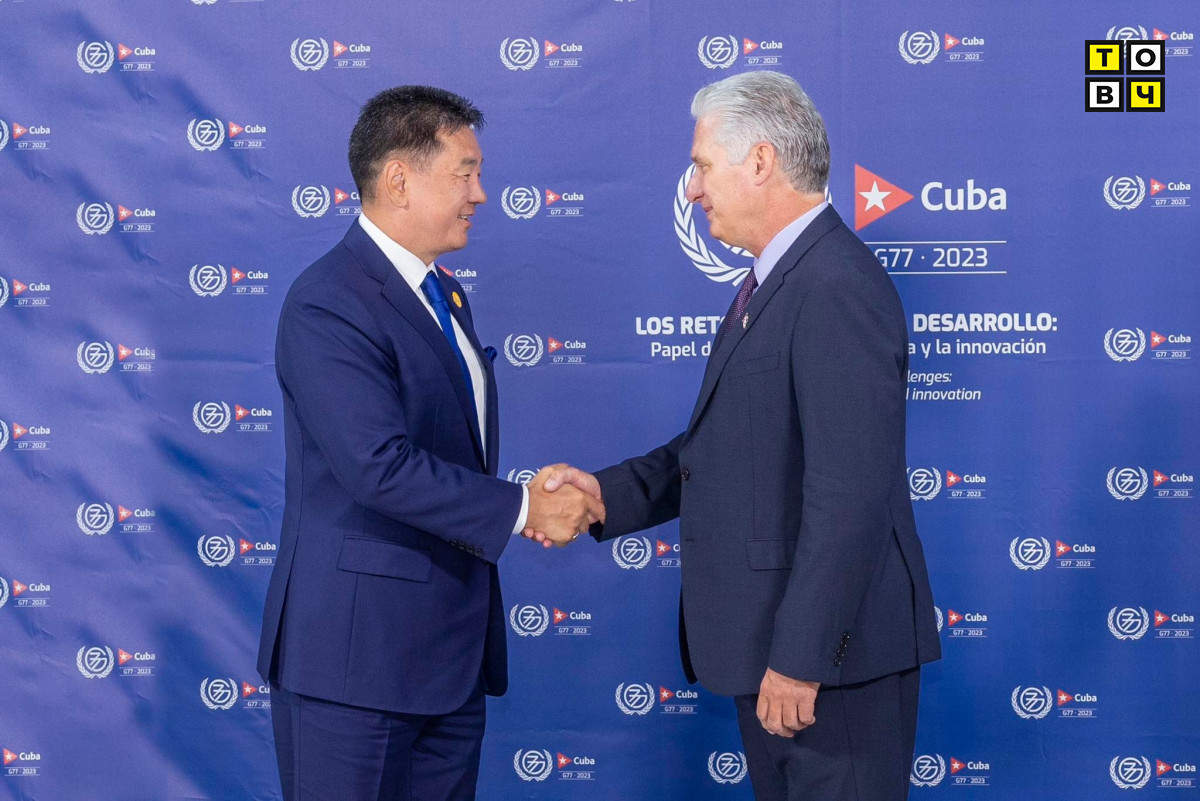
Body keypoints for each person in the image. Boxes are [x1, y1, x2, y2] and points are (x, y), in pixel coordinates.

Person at [531, 71, 941, 800]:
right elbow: (727, 448)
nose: (692, 188)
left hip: (826, 667)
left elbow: (850, 493)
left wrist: (801, 658)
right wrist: (604, 495)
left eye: (701, 165)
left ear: (760, 162)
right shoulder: (777, 281)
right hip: (777, 652)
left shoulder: (833, 284)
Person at [257, 86, 600, 801]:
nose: (481, 194)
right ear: (399, 180)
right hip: (355, 666)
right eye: (465, 173)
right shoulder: (328, 300)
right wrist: (523, 508)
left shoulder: (445, 293)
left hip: (448, 662)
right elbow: (376, 465)